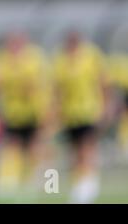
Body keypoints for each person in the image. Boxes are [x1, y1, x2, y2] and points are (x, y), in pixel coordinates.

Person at [52, 30, 109, 203]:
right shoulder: (61, 60)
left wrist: (105, 107)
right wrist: (56, 111)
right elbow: (58, 89)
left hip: (89, 110)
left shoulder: (92, 56)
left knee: (86, 147)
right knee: (74, 151)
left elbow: (102, 83)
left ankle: (87, 186)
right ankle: (81, 183)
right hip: (70, 114)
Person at [0, 31, 51, 198]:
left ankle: (40, 181)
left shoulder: (35, 57)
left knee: (35, 148)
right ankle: (9, 182)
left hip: (33, 112)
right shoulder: (4, 59)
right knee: (13, 146)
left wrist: (45, 110)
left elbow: (39, 84)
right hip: (12, 113)